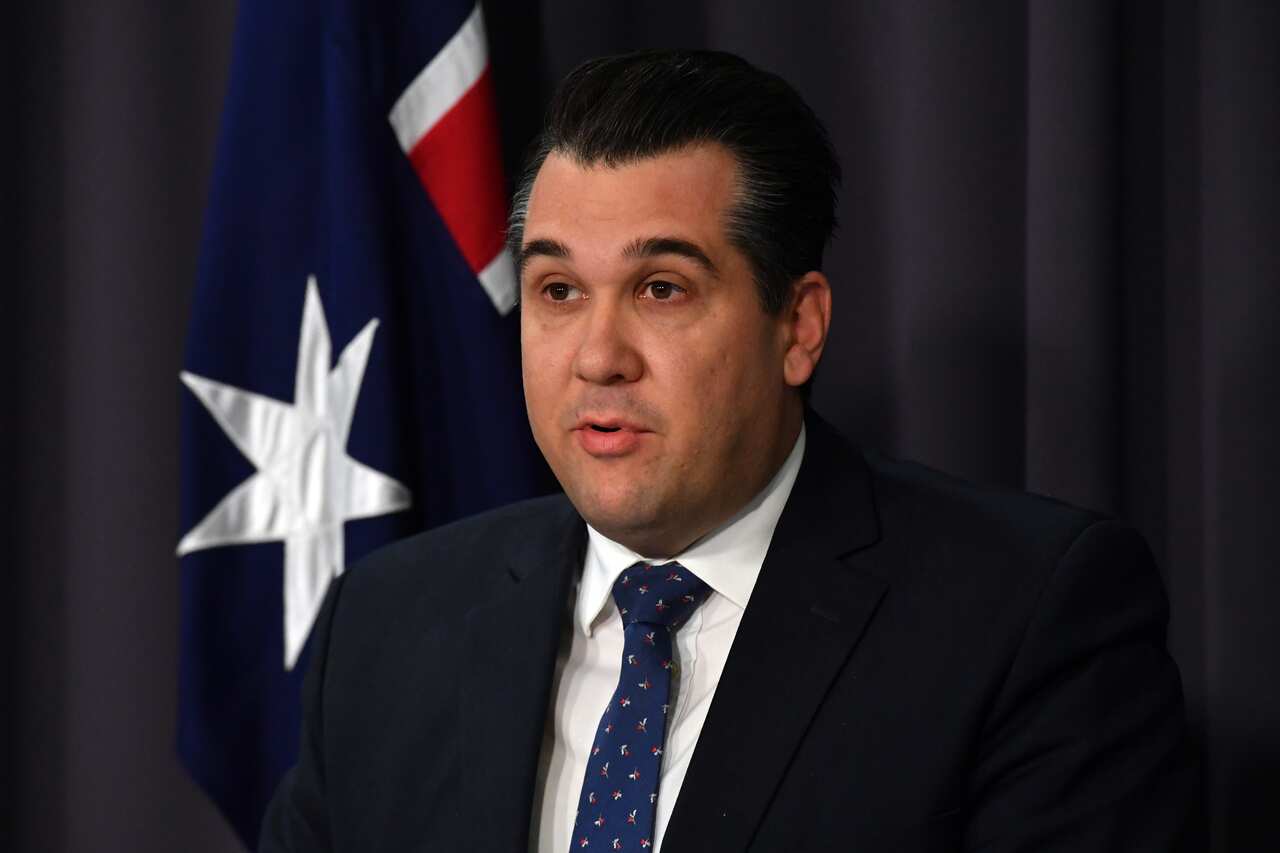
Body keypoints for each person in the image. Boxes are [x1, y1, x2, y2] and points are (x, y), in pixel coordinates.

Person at [261, 49, 1193, 852]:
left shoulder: (1027, 618)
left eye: (661, 288)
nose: (597, 357)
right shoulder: (386, 625)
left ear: (798, 325)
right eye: (557, 291)